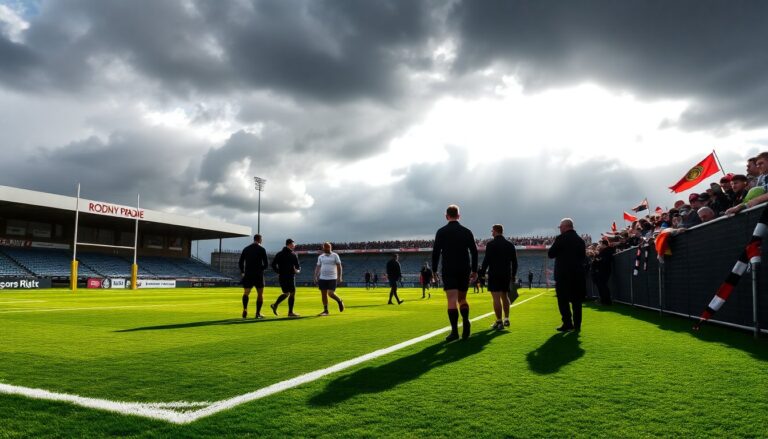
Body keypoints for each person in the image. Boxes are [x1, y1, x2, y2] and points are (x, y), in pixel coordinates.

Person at [431, 204, 478, 341]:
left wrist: (434, 270)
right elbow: (474, 252)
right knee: (462, 298)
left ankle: (454, 332)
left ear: (446, 216)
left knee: (451, 300)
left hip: (448, 268)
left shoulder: (441, 232)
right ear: (459, 216)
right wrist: (474, 270)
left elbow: (436, 253)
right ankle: (466, 321)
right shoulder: (467, 231)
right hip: (464, 268)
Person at [548, 218, 587, 332]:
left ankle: (567, 323)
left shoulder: (561, 238)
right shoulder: (580, 240)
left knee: (563, 300)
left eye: (560, 227)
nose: (560, 229)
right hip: (577, 275)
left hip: (563, 275)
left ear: (565, 227)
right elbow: (582, 257)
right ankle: (577, 325)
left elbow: (551, 254)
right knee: (576, 301)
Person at [479, 224, 518, 330]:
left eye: (492, 231)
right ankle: (506, 319)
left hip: (494, 274)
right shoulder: (510, 245)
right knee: (505, 296)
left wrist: (481, 273)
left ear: (495, 231)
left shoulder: (490, 244)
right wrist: (513, 275)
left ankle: (499, 321)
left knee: (496, 298)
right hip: (506, 274)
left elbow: (486, 260)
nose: (491, 233)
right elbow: (514, 262)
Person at [238, 234, 269, 319]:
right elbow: (266, 264)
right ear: (260, 240)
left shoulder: (246, 249)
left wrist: (243, 272)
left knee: (246, 293)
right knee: (260, 294)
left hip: (248, 274)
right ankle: (257, 313)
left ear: (254, 239)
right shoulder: (262, 249)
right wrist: (260, 269)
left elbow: (240, 262)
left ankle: (245, 309)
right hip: (258, 275)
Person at [270, 238, 301, 317]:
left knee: (286, 293)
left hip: (282, 277)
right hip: (290, 276)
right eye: (293, 244)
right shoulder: (293, 254)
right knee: (292, 293)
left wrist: (279, 272)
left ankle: (275, 305)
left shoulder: (279, 254)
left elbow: (273, 265)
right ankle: (290, 312)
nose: (294, 245)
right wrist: (297, 271)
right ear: (290, 244)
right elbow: (298, 266)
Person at [313, 242, 345, 316]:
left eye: (329, 247)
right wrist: (315, 276)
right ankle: (325, 310)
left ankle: (339, 301)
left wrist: (340, 276)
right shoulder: (321, 257)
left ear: (331, 247)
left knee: (330, 293)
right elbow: (318, 267)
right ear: (323, 248)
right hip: (322, 278)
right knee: (323, 294)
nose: (328, 248)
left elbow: (339, 266)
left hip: (332, 277)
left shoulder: (335, 255)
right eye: (326, 247)